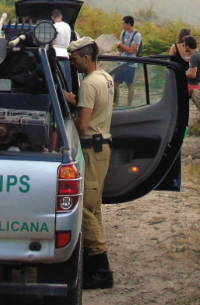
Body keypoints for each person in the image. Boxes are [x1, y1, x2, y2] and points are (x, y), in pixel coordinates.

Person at [63, 37, 115, 290]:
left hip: (91, 148)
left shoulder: (88, 84)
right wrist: (71, 98)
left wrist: (62, 124)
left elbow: (82, 123)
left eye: (74, 60)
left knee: (83, 208)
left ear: (86, 57)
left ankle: (102, 270)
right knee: (94, 208)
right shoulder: (104, 78)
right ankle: (94, 266)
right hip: (103, 145)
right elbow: (92, 106)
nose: (73, 64)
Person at [114, 15, 141, 107]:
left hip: (130, 64)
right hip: (121, 62)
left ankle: (129, 105)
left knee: (129, 84)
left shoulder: (137, 35)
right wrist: (126, 48)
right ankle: (116, 103)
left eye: (124, 23)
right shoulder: (123, 33)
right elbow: (120, 48)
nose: (122, 25)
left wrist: (122, 46)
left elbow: (131, 51)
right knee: (115, 83)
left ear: (129, 24)